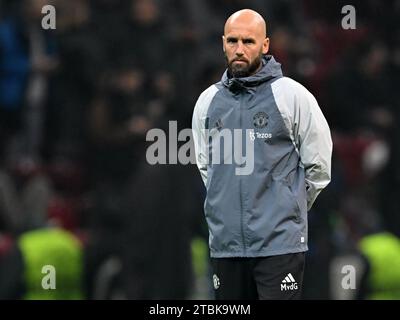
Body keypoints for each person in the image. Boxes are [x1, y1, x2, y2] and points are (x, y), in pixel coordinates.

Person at [192, 9, 332, 300]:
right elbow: (207, 169)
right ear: (222, 43)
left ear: (265, 45)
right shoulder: (207, 102)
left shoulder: (292, 96)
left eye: (248, 41)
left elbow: (319, 166)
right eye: (232, 41)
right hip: (226, 247)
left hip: (279, 248)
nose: (239, 49)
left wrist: (286, 208)